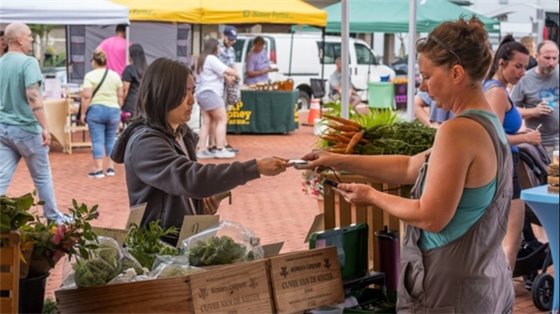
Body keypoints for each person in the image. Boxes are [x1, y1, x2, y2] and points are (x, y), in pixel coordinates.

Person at [302, 17, 514, 312]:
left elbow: (430, 217)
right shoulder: (489, 123)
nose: (424, 86)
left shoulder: (458, 131)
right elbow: (409, 167)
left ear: (456, 73)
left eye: (427, 75)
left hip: (449, 291)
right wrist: (337, 158)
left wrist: (372, 196)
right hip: (484, 281)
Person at [110, 58, 289, 245]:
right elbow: (191, 179)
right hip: (157, 248)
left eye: (193, 91)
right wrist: (255, 167)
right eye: (183, 93)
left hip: (182, 243)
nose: (192, 100)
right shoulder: (145, 143)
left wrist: (198, 204)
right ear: (162, 93)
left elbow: (183, 188)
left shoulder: (180, 134)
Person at [483, 34, 541, 272]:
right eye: (517, 66)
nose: (521, 72)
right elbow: (495, 137)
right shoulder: (496, 92)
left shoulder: (495, 89)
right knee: (511, 239)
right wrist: (526, 137)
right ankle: (503, 300)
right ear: (501, 63)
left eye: (525, 68)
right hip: (505, 166)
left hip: (503, 166)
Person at [0, 23, 69, 224]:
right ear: (19, 39)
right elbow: (33, 96)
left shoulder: (1, 62)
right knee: (41, 177)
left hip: (4, 129)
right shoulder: (28, 63)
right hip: (26, 129)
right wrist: (46, 127)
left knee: (2, 177)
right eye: (29, 36)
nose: (32, 39)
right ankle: (53, 218)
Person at [511, 40, 559, 158]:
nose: (551, 62)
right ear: (537, 57)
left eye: (555, 58)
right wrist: (534, 111)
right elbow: (511, 111)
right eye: (547, 58)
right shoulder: (524, 79)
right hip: (538, 143)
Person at [80, 50, 123, 178]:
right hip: (113, 110)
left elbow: (87, 96)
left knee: (98, 140)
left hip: (96, 110)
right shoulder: (115, 75)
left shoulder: (90, 76)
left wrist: (83, 113)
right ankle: (110, 168)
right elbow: (120, 95)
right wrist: (118, 110)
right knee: (111, 139)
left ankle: (98, 169)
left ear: (94, 61)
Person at [195, 38, 239, 159]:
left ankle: (202, 149)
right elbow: (228, 70)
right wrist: (235, 73)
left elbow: (218, 73)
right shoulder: (211, 58)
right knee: (222, 119)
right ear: (214, 48)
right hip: (211, 93)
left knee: (207, 122)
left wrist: (226, 77)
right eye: (218, 47)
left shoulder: (202, 59)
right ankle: (220, 148)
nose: (220, 49)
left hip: (202, 93)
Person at [215, 25, 239, 154]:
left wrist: (236, 76)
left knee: (224, 113)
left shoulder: (231, 50)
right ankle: (220, 144)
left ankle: (223, 142)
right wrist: (226, 77)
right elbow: (217, 67)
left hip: (228, 86)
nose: (232, 42)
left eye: (233, 39)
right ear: (223, 36)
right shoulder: (217, 49)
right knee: (220, 116)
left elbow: (233, 65)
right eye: (230, 39)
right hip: (218, 85)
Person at [121, 43, 148, 117]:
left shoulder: (129, 69)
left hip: (131, 105)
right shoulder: (148, 69)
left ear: (131, 55)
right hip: (144, 104)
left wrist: (120, 103)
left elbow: (125, 89)